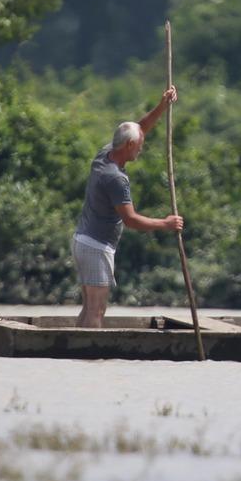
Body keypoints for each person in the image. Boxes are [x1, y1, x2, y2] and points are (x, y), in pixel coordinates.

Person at [72, 86, 184, 327]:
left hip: (85, 242)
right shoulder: (115, 178)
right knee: (96, 309)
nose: (142, 148)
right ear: (130, 145)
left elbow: (140, 128)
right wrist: (165, 223)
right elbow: (131, 220)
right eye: (140, 145)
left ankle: (76, 354)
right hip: (95, 246)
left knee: (90, 308)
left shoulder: (105, 154)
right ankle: (90, 355)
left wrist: (162, 106)